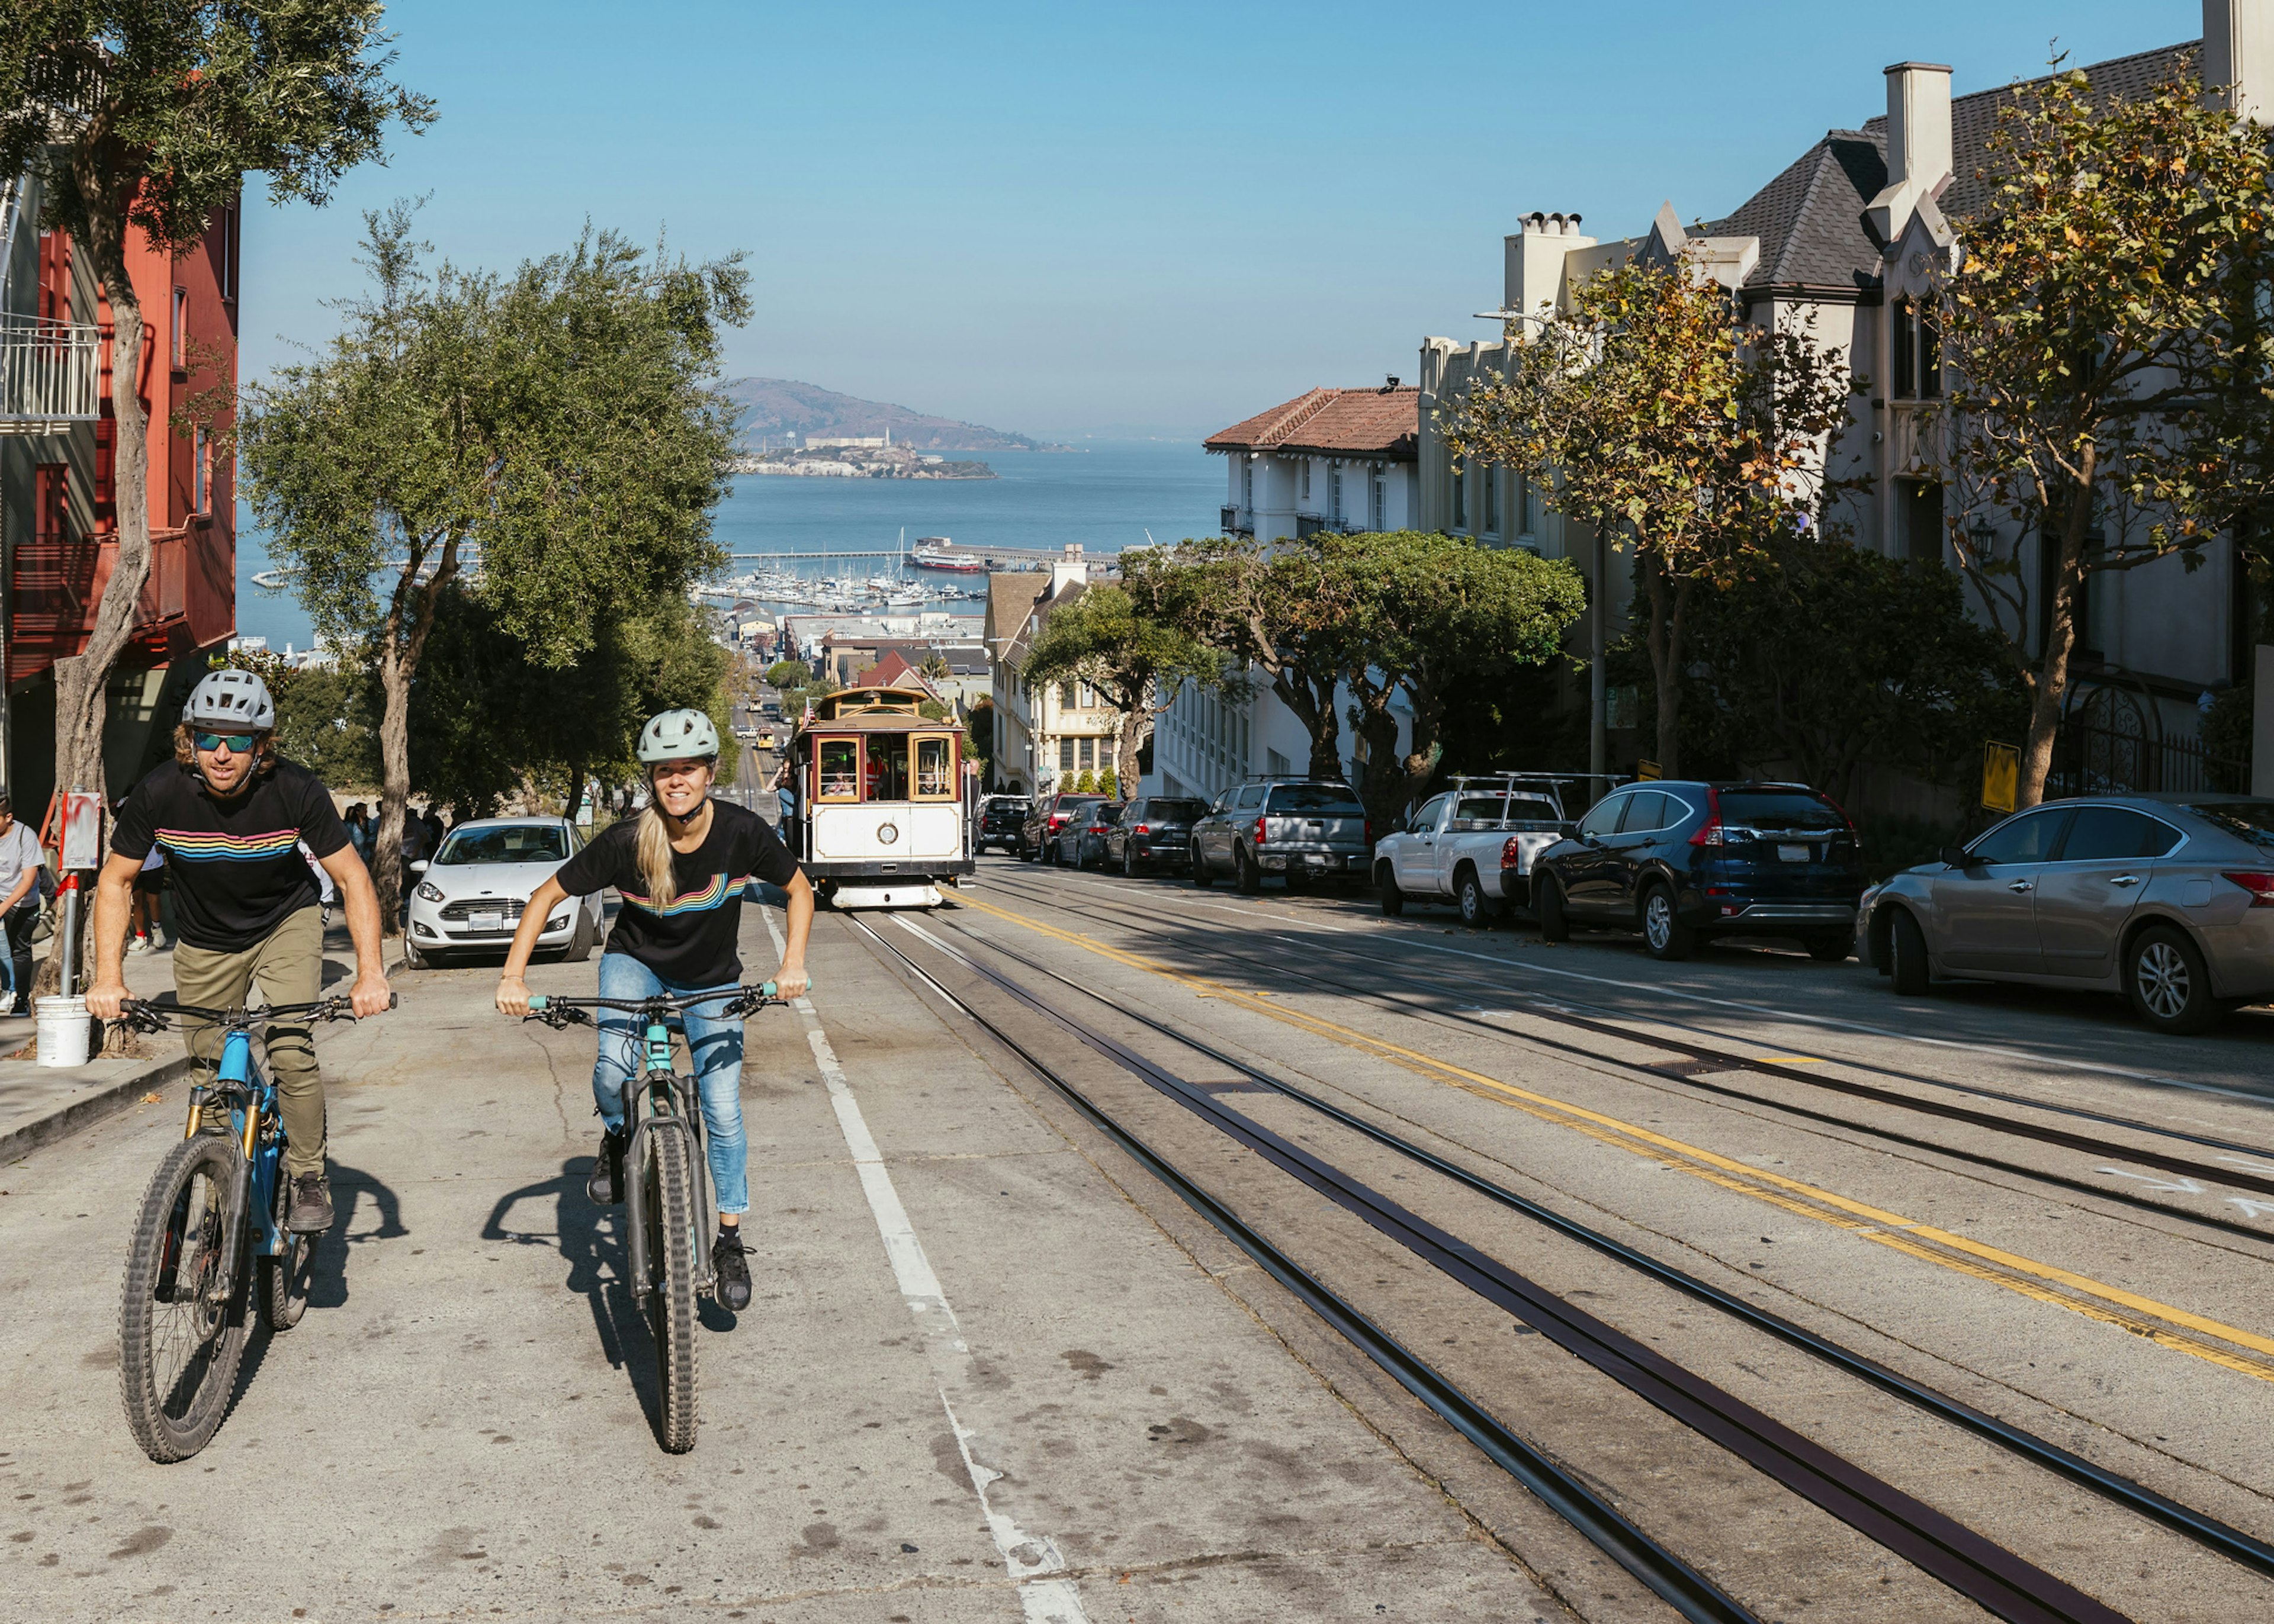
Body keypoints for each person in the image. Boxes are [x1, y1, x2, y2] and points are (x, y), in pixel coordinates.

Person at [494, 708, 812, 1315]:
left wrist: (791, 963)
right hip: (634, 966)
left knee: (720, 1106)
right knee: (614, 1068)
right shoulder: (626, 840)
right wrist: (514, 976)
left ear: (709, 772)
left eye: (687, 769)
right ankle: (617, 1138)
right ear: (651, 779)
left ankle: (729, 1239)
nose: (677, 781)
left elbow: (799, 890)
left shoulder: (742, 833)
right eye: (664, 771)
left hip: (713, 979)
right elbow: (546, 896)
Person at [85, 669, 391, 1232]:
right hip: (204, 938)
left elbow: (353, 880)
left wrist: (370, 973)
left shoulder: (297, 790)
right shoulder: (159, 792)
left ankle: (307, 1176)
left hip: (285, 922)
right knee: (208, 1075)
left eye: (239, 740)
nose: (222, 753)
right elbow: (115, 882)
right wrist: (109, 976)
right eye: (208, 738)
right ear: (190, 740)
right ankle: (222, 1177)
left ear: (262, 745)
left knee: (291, 1045)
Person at [0, 795, 42, 1016]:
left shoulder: (26, 836)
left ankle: (21, 999)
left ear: (9, 817)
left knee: (19, 949)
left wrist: (3, 907)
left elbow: (28, 881)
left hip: (22, 901)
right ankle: (7, 990)